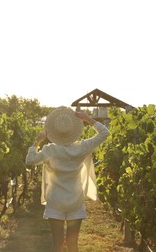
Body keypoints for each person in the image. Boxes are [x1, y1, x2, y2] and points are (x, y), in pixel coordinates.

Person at [25, 106, 110, 252]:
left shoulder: (49, 150)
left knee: (57, 245)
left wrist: (37, 142)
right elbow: (104, 133)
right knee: (73, 245)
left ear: (54, 131)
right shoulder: (82, 147)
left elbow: (29, 160)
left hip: (55, 201)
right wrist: (87, 119)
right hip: (75, 201)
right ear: (73, 130)